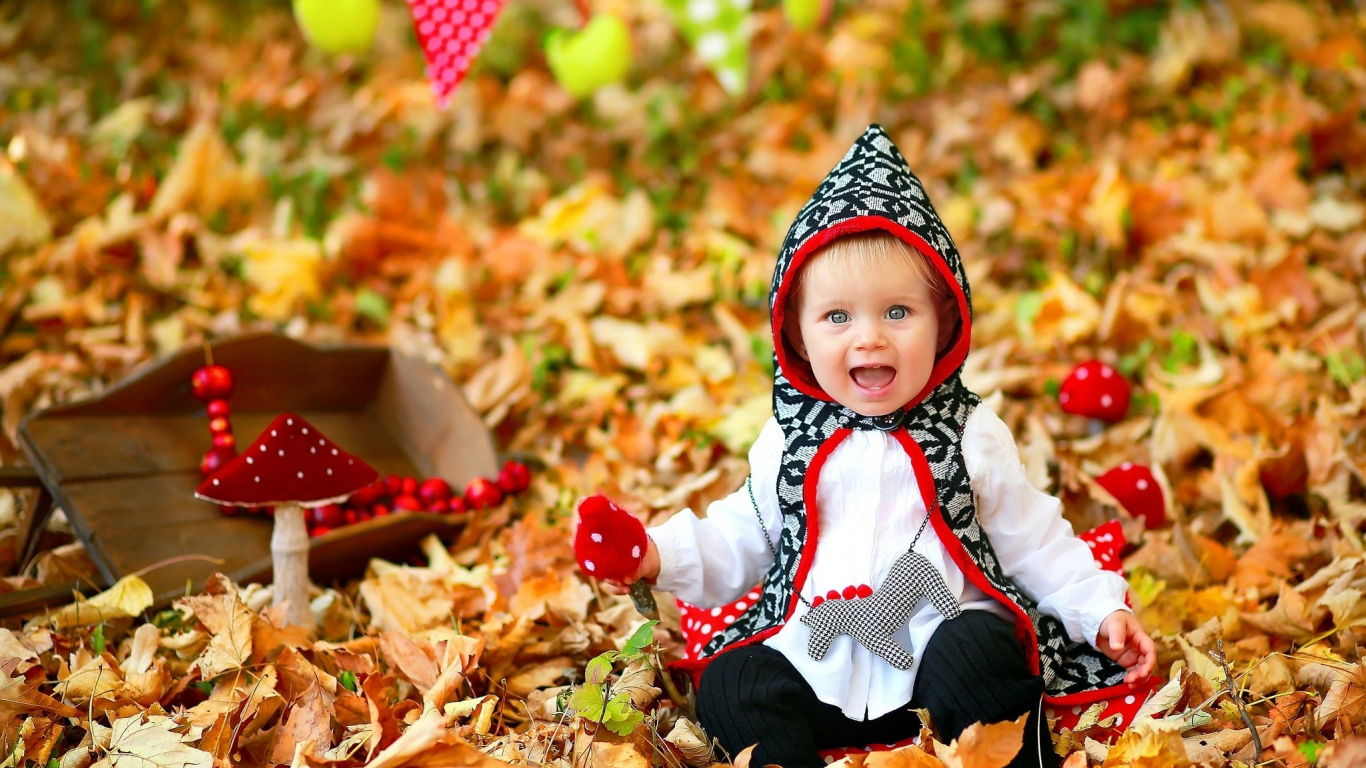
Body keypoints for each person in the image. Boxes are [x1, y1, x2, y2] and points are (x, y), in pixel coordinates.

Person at [579, 125, 1155, 768]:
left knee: (979, 654)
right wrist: (656, 554)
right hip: (817, 656)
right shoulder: (790, 439)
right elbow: (744, 534)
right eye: (837, 317)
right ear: (796, 334)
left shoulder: (968, 431)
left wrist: (1097, 608)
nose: (870, 338)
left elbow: (1033, 539)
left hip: (937, 650)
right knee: (733, 686)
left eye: (898, 313)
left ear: (945, 320)